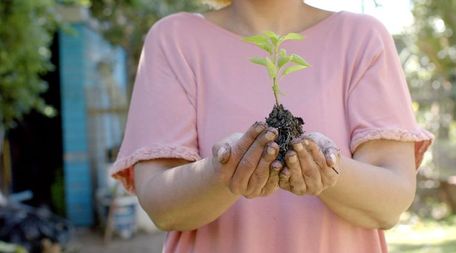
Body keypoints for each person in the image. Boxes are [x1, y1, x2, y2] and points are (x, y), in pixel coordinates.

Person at [110, 0, 434, 252]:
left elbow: (390, 202)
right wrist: (220, 172)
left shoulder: (362, 39)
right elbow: (162, 207)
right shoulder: (174, 40)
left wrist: (327, 170)